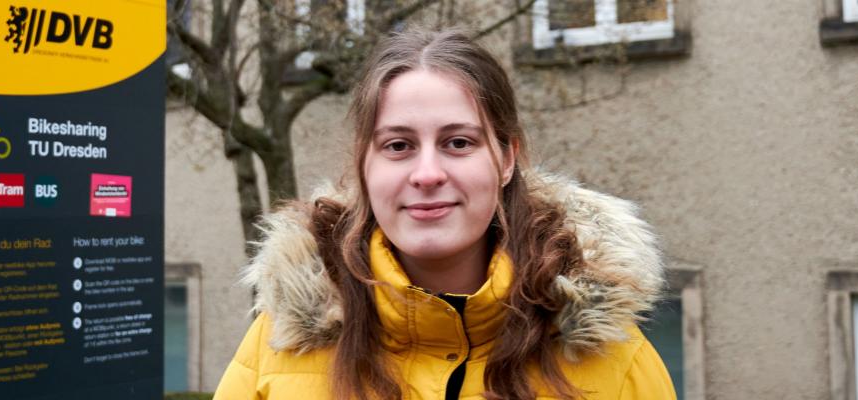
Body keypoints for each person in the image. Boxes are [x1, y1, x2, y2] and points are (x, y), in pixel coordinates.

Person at [214, 27, 676, 400]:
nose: (428, 174)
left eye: (459, 142)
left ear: (507, 159)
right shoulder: (278, 345)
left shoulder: (614, 360)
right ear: (364, 165)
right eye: (398, 146)